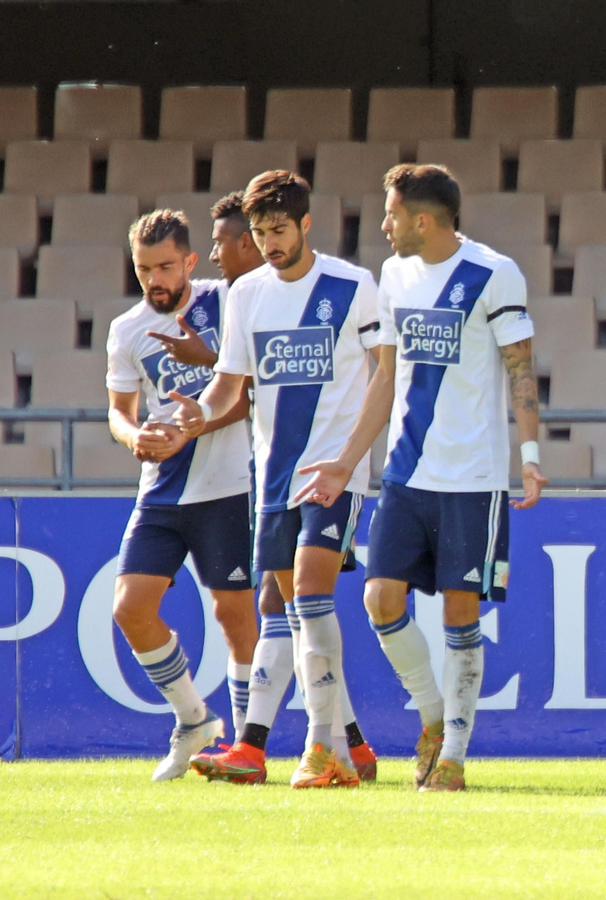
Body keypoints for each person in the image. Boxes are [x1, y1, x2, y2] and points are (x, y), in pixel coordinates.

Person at [290, 164, 544, 792]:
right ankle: (433, 716)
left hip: (473, 476)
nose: (383, 226)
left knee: (462, 610)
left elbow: (522, 372)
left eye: (392, 215)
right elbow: (385, 378)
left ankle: (453, 755)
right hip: (405, 474)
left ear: (422, 220)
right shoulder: (395, 277)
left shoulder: (494, 273)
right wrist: (348, 462)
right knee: (380, 599)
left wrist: (531, 454)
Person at [178, 171, 382, 789]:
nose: (269, 242)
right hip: (272, 476)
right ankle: (344, 746)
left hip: (333, 472)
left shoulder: (352, 285)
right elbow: (230, 384)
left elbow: (384, 377)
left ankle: (320, 751)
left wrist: (353, 460)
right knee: (289, 612)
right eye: (261, 232)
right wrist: (197, 415)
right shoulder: (247, 296)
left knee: (311, 595)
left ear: (306, 224)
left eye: (279, 230)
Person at [105, 209, 257, 781]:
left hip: (230, 485)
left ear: (191, 261)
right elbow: (120, 413)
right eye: (145, 269)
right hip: (163, 489)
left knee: (234, 617)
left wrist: (191, 427)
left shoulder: (229, 302)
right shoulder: (126, 330)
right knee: (131, 608)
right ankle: (193, 720)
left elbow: (250, 396)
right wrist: (136, 435)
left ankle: (246, 747)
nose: (155, 279)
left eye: (166, 266)